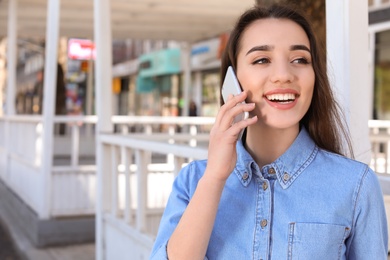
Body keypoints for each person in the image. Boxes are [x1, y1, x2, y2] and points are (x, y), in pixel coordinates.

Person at [150, 4, 388, 259]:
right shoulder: (194, 181)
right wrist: (215, 179)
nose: (284, 75)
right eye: (261, 59)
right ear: (233, 78)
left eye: (300, 60)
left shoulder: (356, 185)